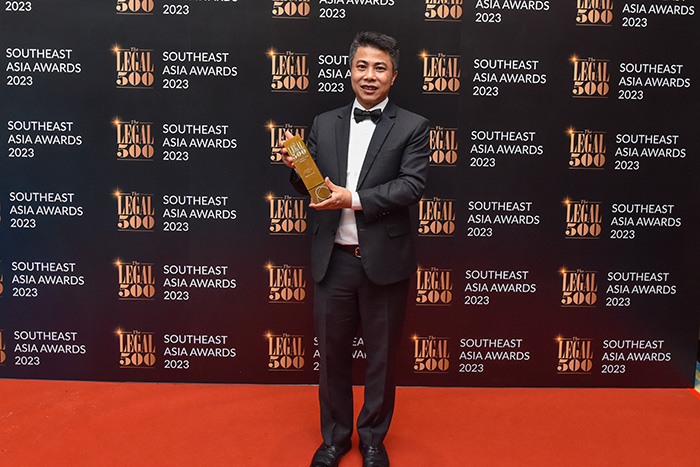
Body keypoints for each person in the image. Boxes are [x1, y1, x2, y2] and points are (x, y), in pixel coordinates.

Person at [280, 31, 430, 467]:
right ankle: (334, 439)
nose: (370, 75)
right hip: (335, 262)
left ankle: (373, 441)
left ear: (394, 75)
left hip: (384, 262)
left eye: (380, 68)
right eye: (362, 66)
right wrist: (297, 169)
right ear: (349, 71)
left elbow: (412, 185)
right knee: (332, 358)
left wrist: (354, 199)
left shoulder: (413, 126)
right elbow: (314, 187)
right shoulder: (324, 123)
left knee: (381, 360)